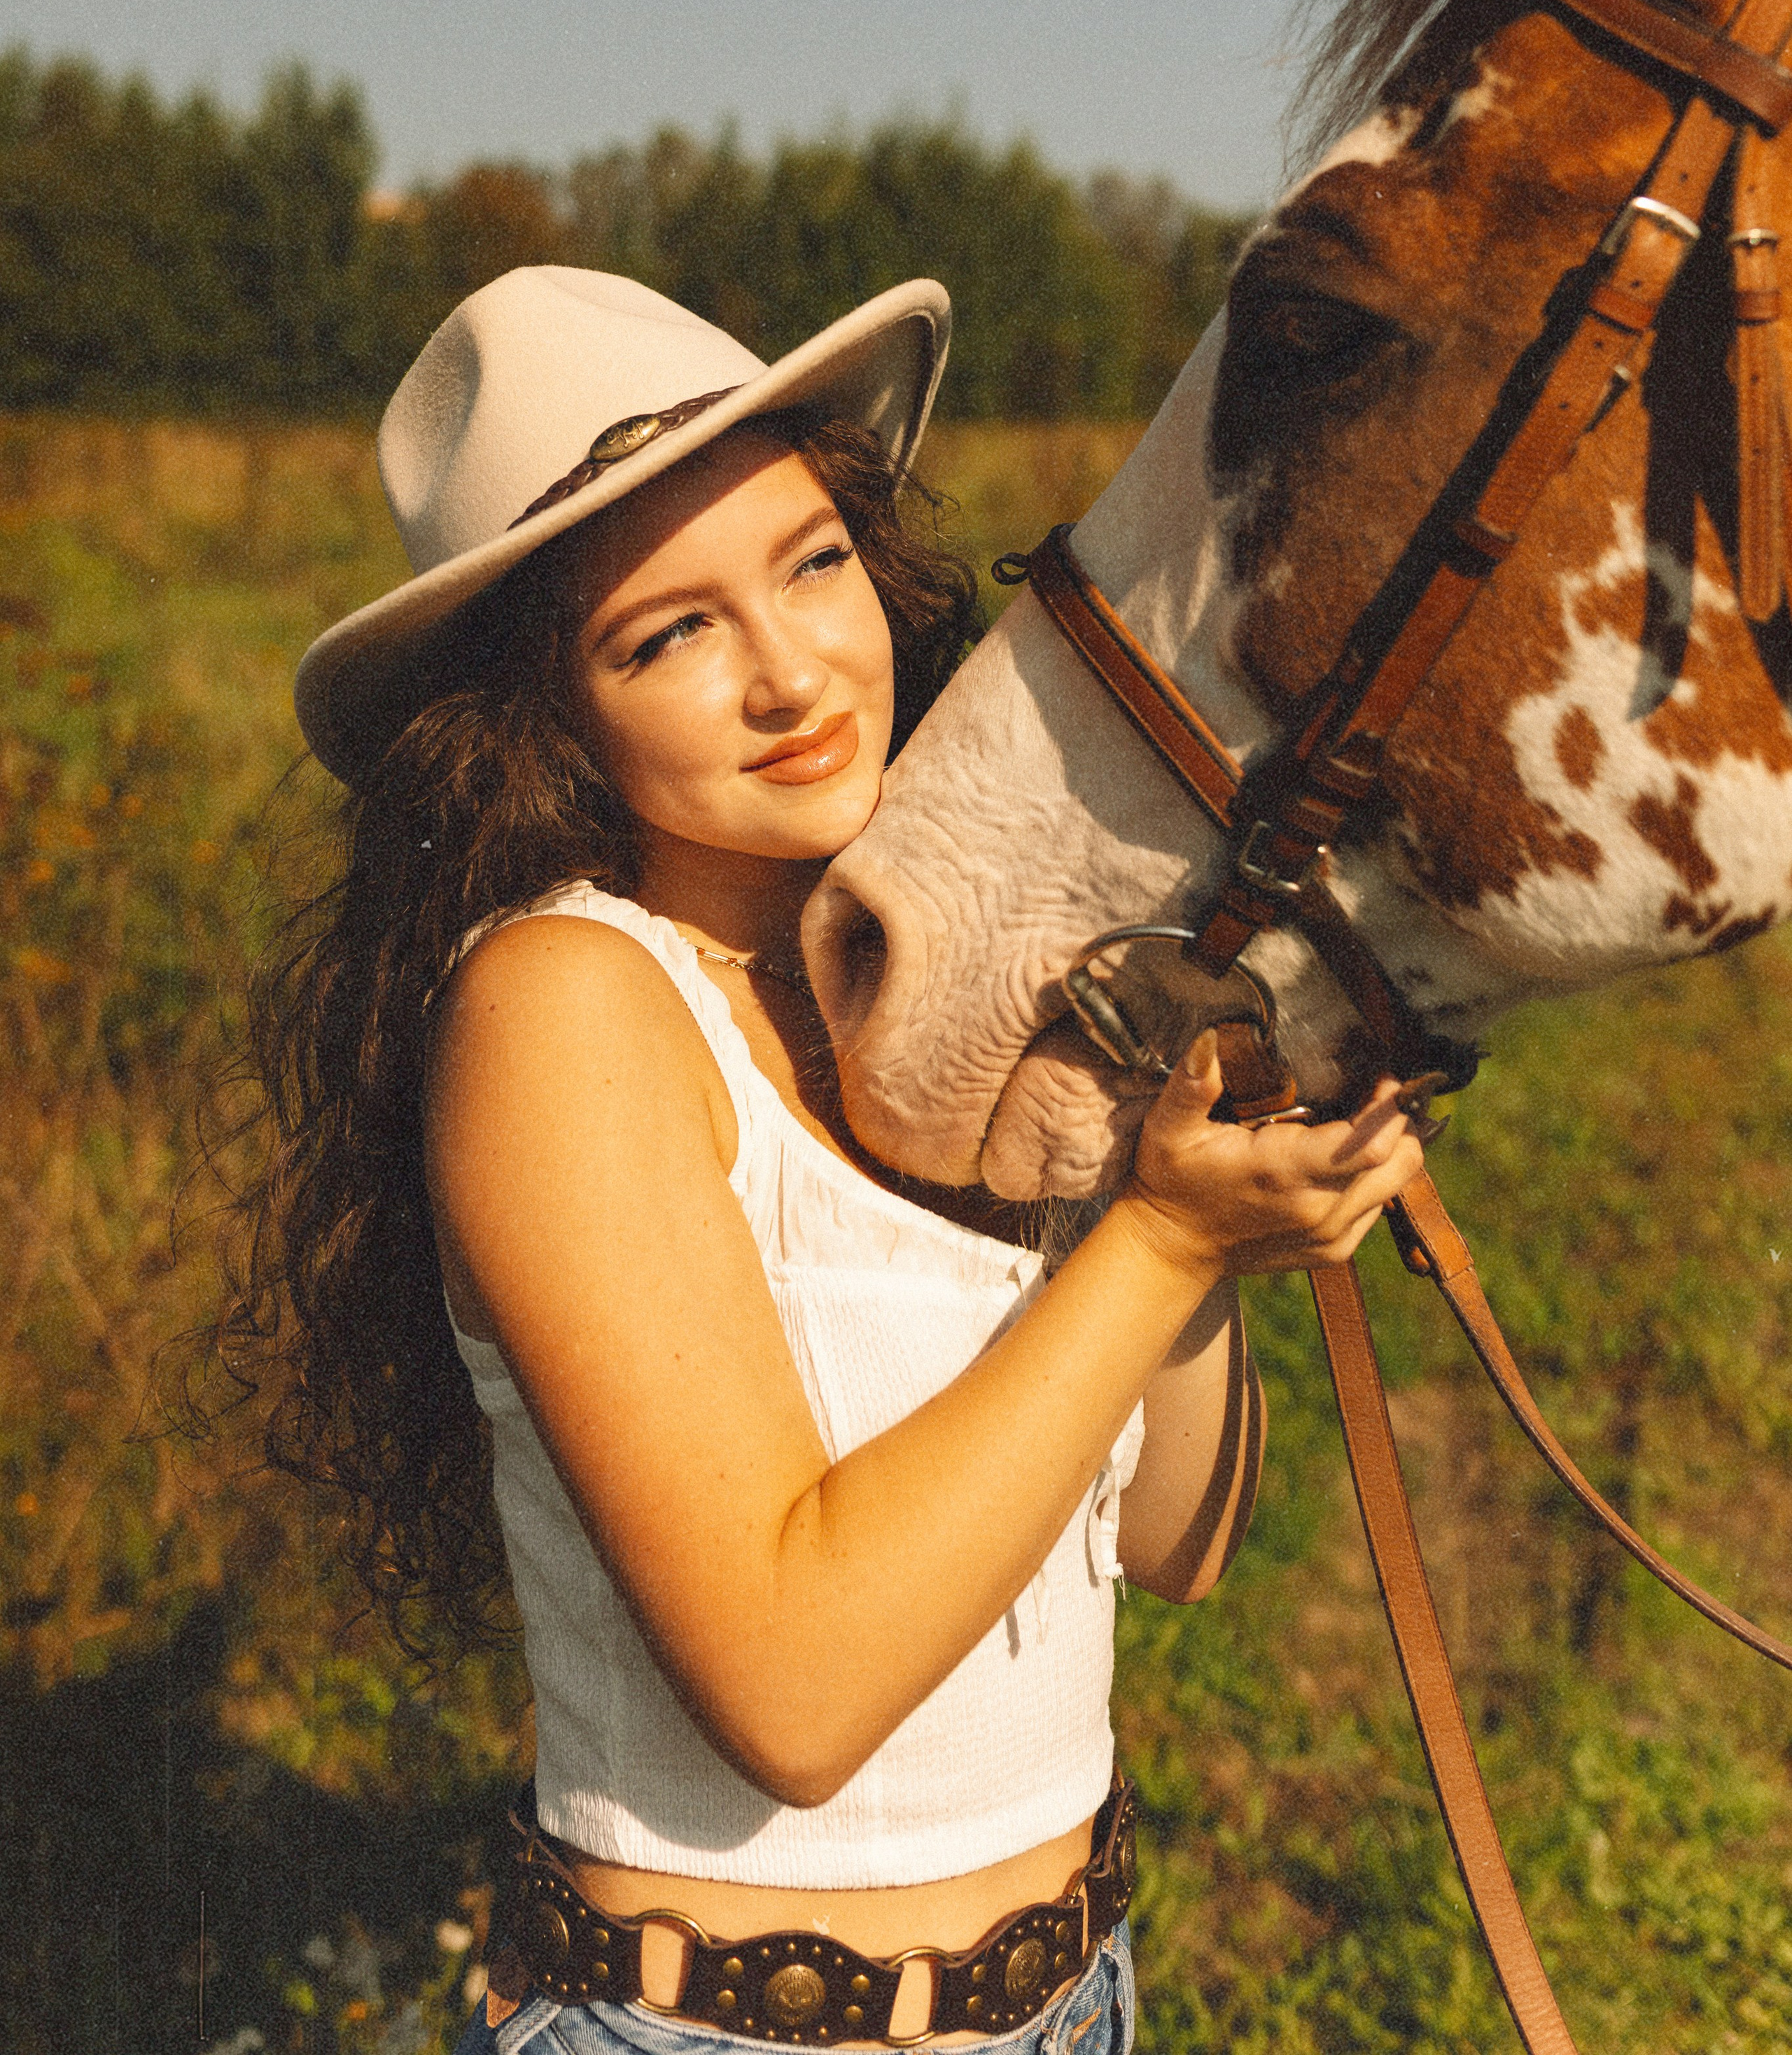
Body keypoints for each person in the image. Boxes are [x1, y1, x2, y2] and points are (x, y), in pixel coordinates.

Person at [242, 265, 1423, 2055]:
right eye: (668, 634)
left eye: (811, 563)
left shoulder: (945, 972)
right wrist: (1160, 1252)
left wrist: (1179, 1172)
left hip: (1075, 1994)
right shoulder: (570, 1005)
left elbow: (1176, 1541)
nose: (792, 673)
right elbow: (793, 1685)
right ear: (544, 720)